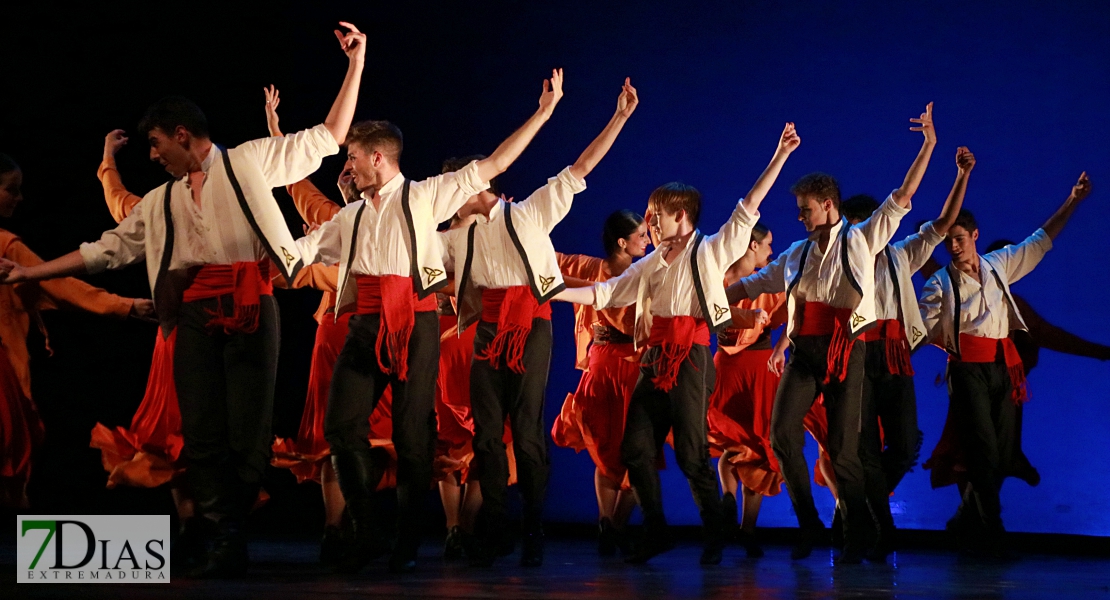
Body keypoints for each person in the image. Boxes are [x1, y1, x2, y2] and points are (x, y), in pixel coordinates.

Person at [0, 22, 366, 578]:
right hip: (191, 315)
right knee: (200, 432)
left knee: (249, 432)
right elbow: (107, 250)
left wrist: (355, 64)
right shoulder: (164, 200)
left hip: (249, 307)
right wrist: (31, 270)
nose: (153, 156)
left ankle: (229, 530)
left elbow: (329, 135)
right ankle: (219, 533)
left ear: (182, 134)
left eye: (155, 144)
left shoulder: (247, 163)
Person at [294, 68, 566, 574]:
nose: (347, 165)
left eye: (352, 156)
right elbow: (305, 247)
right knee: (340, 426)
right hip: (365, 325)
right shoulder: (351, 215)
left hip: (415, 326)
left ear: (377, 157)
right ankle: (366, 526)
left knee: (412, 436)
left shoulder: (424, 196)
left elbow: (496, 162)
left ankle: (407, 540)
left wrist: (544, 111)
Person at [557, 122, 800, 565]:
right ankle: (656, 530)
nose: (650, 220)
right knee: (635, 448)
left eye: (657, 214)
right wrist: (553, 290)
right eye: (649, 214)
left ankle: (714, 530)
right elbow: (605, 294)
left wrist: (779, 156)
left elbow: (748, 208)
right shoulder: (650, 263)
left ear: (681, 216)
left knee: (691, 455)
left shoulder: (709, 250)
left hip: (691, 359)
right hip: (654, 359)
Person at [440, 77, 638, 568]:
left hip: (530, 328)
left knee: (525, 431)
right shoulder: (454, 240)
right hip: (487, 331)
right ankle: (495, 526)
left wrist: (618, 117)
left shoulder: (527, 214)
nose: (446, 203)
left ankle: (532, 525)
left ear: (473, 187)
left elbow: (581, 167)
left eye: (451, 193)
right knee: (487, 434)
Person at [726, 104, 934, 563]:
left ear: (828, 205)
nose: (799, 217)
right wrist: (713, 293)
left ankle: (857, 530)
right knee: (782, 433)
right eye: (798, 210)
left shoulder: (860, 239)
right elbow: (752, 284)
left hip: (847, 352)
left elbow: (903, 195)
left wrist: (928, 145)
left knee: (845, 452)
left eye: (805, 210)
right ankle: (809, 522)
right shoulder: (797, 253)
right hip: (805, 352)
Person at [918, 171, 1094, 556]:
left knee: (997, 452)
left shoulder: (999, 265)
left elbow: (1041, 240)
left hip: (1001, 368)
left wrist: (1073, 200)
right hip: (967, 370)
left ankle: (972, 518)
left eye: (960, 239)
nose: (954, 246)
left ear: (975, 236)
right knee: (980, 448)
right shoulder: (940, 283)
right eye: (949, 241)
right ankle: (993, 528)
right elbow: (923, 329)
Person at [836, 144, 974, 560]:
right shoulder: (840, 259)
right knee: (861, 448)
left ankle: (856, 508)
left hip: (894, 353)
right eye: (857, 228)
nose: (865, 236)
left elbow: (944, 222)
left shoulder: (902, 254)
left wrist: (961, 175)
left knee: (904, 443)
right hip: (859, 352)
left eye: (869, 226)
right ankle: (880, 525)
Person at [0, 153, 153, 508]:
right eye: (12, 190)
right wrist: (125, 305)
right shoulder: (6, 247)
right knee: (10, 453)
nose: (19, 198)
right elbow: (62, 285)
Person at [551, 208, 651, 555]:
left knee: (637, 455)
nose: (648, 240)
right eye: (641, 236)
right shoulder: (593, 268)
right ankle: (609, 523)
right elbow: (547, 257)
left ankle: (612, 527)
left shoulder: (645, 272)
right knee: (609, 451)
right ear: (622, 243)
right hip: (609, 366)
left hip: (631, 366)